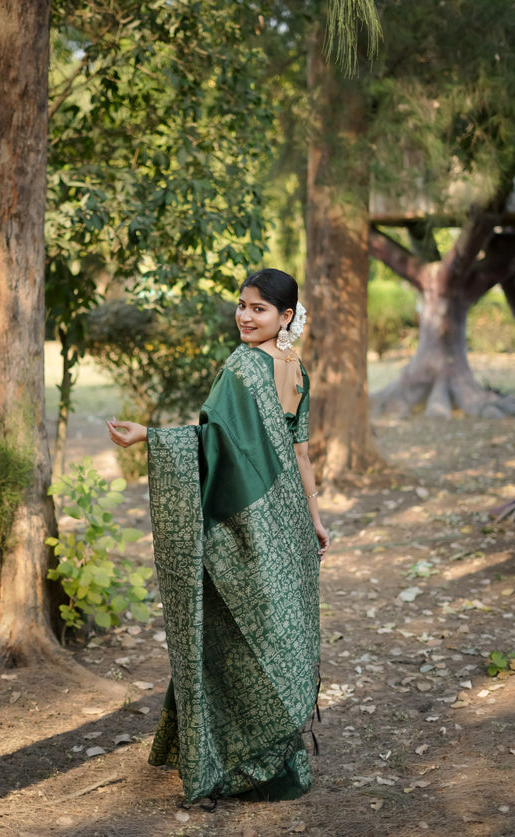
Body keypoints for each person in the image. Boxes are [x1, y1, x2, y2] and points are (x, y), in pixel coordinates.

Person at [107, 268, 329, 804]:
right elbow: (280, 450)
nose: (245, 317)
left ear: (286, 317)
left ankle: (236, 762)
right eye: (242, 305)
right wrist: (313, 517)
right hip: (283, 525)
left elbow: (220, 443)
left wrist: (152, 438)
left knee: (236, 632)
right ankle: (259, 759)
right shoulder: (294, 369)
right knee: (269, 632)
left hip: (249, 523)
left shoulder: (247, 366)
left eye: (259, 309)